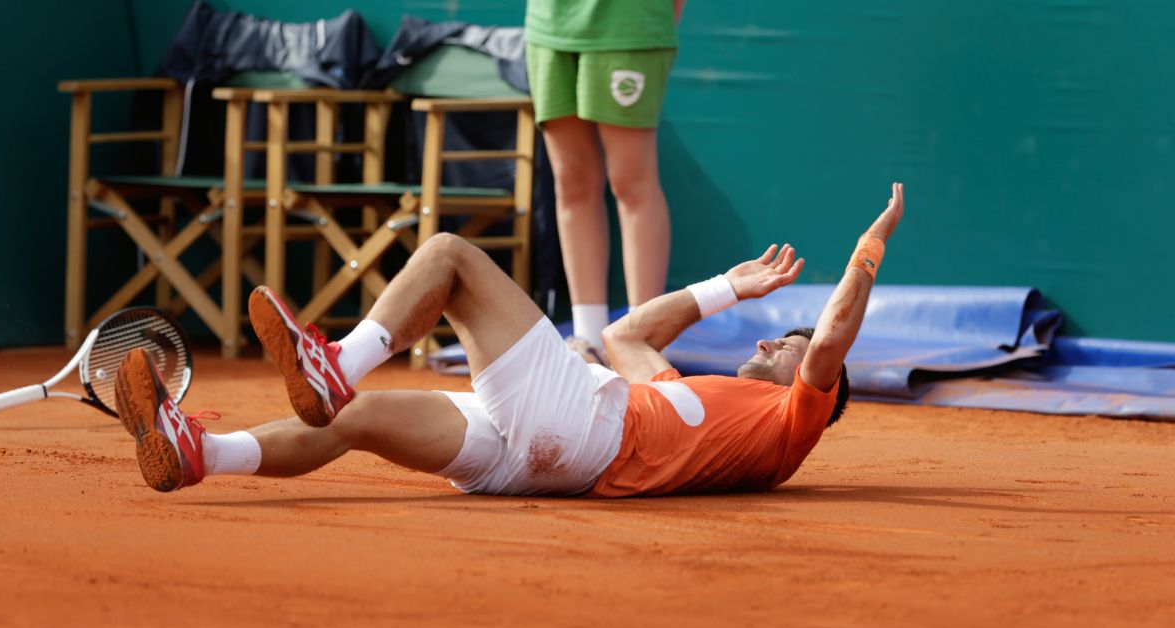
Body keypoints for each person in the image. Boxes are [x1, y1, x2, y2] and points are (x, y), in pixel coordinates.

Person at [115, 184, 904, 498]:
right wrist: (727, 288)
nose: (779, 339)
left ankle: (339, 361)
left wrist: (868, 250)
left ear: (819, 388)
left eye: (790, 343)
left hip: (585, 424)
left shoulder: (788, 421)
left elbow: (832, 333)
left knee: (451, 256)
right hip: (543, 461)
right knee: (351, 422)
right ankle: (200, 456)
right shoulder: (703, 404)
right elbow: (630, 332)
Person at [524, 0, 686, 359]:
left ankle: (643, 341)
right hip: (548, 27)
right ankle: (589, 341)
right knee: (571, 182)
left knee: (631, 182)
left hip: (629, 24)